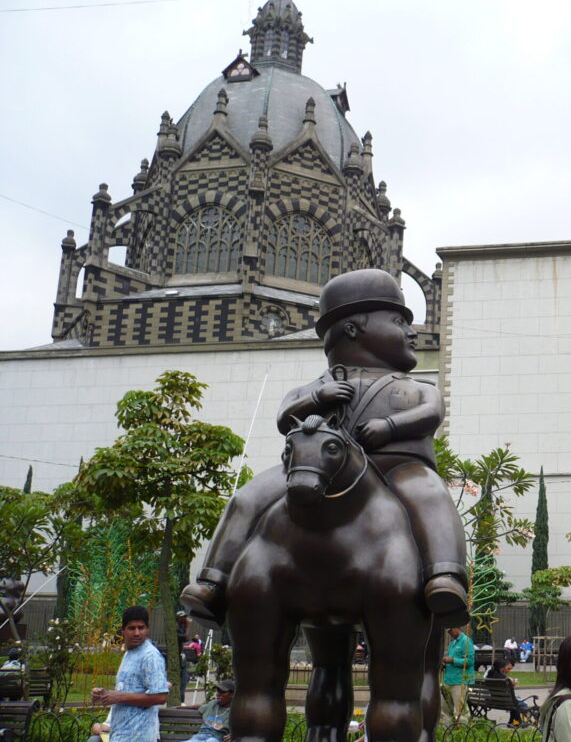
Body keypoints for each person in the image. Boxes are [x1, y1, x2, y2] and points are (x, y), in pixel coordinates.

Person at [181, 270, 469, 627]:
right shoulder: (316, 386)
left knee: (431, 494)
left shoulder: (415, 387)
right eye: (398, 321)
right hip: (320, 470)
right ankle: (213, 581)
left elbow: (432, 412)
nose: (412, 332)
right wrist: (318, 398)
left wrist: (390, 426)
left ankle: (445, 576)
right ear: (352, 328)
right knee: (248, 497)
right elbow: (286, 419)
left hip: (398, 466)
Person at [91, 606, 169, 742]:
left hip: (139, 735)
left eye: (141, 627)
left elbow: (160, 696)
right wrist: (104, 694)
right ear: (123, 631)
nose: (137, 633)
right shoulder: (130, 653)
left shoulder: (150, 656)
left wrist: (119, 697)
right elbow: (128, 690)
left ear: (147, 629)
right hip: (121, 733)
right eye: (132, 628)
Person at [442, 625, 475, 719]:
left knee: (461, 711)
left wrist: (452, 660)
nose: (449, 633)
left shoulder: (466, 641)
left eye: (450, 630)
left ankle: (463, 732)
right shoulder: (452, 643)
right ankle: (447, 731)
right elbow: (449, 660)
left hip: (460, 680)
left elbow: (470, 661)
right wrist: (444, 663)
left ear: (456, 628)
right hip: (448, 680)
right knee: (444, 710)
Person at [485, 658, 529, 727]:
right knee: (520, 704)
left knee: (514, 704)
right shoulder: (503, 678)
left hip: (494, 700)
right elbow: (508, 691)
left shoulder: (489, 675)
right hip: (505, 702)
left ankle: (512, 722)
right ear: (501, 667)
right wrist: (512, 684)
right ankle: (517, 723)